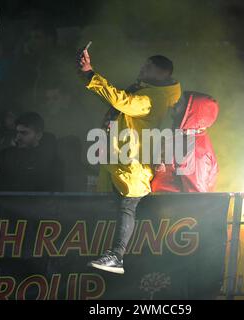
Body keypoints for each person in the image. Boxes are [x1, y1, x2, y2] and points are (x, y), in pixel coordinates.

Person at [78, 49, 181, 274]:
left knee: (127, 207)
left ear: (163, 73)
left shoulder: (154, 97)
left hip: (133, 165)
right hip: (118, 163)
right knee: (112, 208)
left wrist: (90, 74)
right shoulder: (146, 90)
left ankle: (116, 256)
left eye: (148, 67)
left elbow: (120, 100)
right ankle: (106, 256)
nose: (142, 69)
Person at [151, 91, 219, 193]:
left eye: (180, 102)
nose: (175, 105)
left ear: (191, 112)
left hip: (170, 206)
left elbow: (194, 198)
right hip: (163, 204)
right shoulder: (185, 137)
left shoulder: (196, 152)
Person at [0, 112, 63, 191]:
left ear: (38, 135)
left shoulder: (51, 160)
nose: (18, 137)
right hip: (6, 204)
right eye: (17, 132)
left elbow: (56, 193)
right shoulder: (4, 155)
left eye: (24, 133)